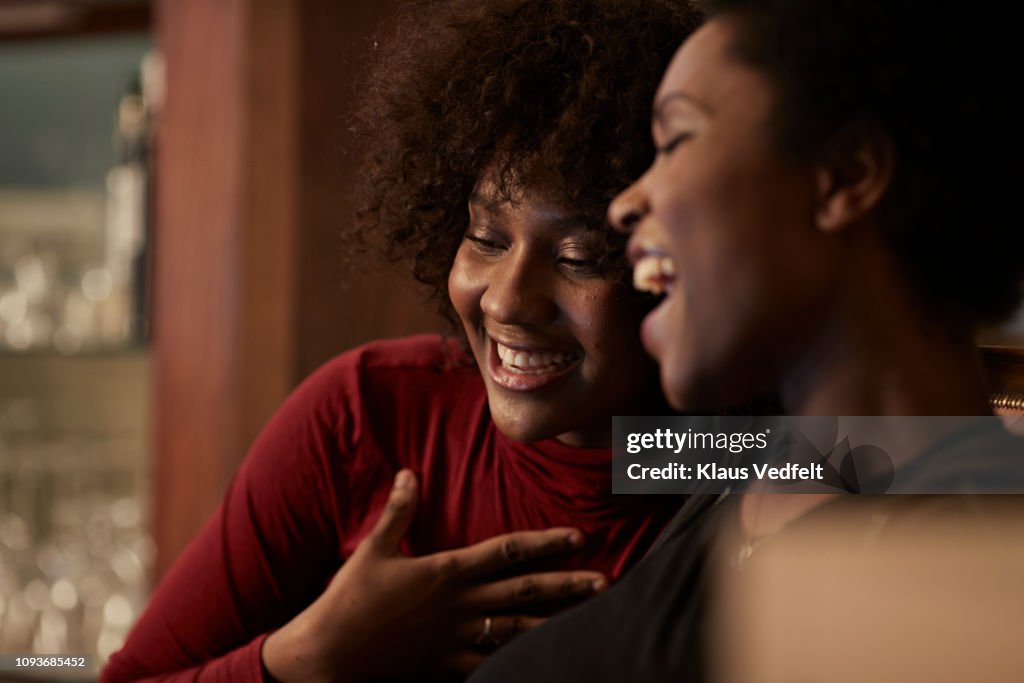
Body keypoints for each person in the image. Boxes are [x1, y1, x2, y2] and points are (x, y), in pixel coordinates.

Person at [101, 1, 703, 682]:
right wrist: (309, 657)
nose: (506, 298)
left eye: (581, 257)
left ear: (674, 264)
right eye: (486, 238)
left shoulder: (708, 453)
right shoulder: (371, 415)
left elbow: (832, 457)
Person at [470, 0, 1024, 680]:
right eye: (487, 237)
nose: (626, 204)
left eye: (675, 142)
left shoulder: (958, 564)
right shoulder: (770, 458)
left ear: (845, 176)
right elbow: (639, 456)